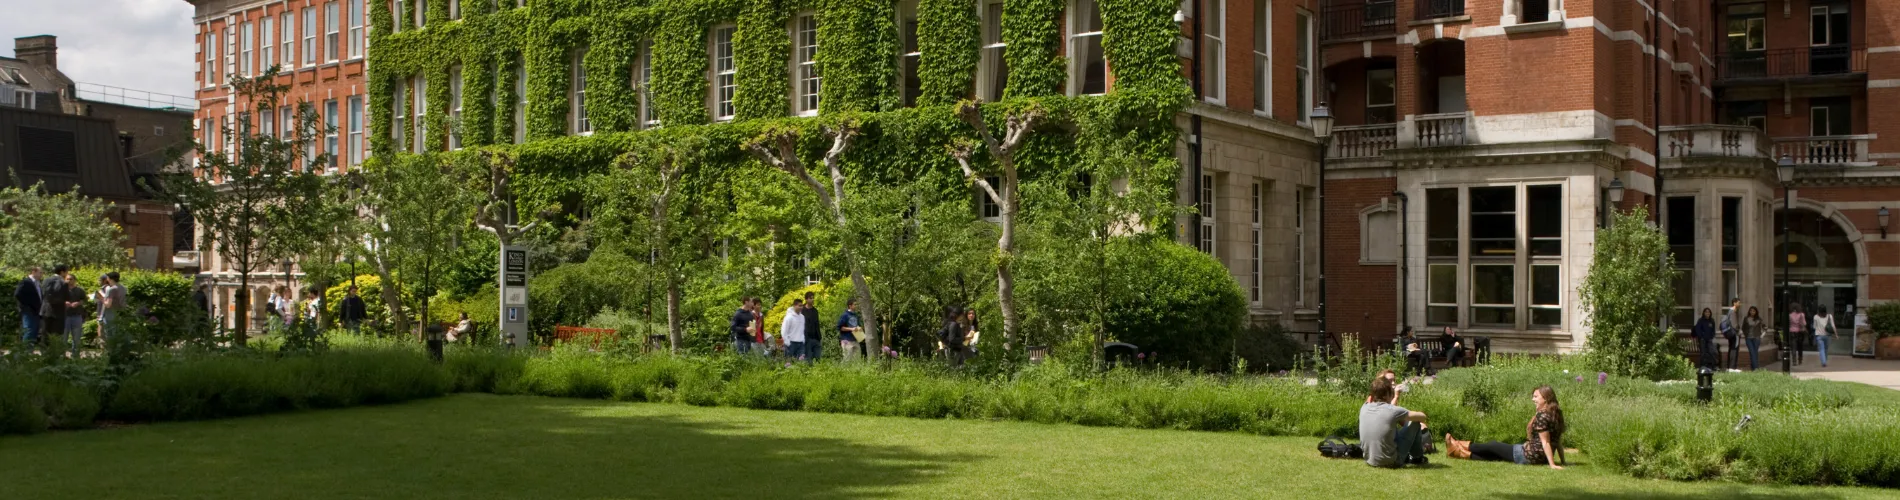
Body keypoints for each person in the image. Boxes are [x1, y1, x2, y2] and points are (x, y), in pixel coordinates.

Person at [1444, 385, 1567, 469]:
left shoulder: (1543, 416)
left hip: (1529, 456)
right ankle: (1457, 452)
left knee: (1493, 445)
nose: (1532, 399)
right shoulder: (1556, 413)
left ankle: (1457, 444)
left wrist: (1552, 465)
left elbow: (1546, 442)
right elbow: (1557, 441)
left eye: (1536, 396)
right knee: (1494, 456)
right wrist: (1562, 461)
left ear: (1545, 399)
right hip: (1539, 457)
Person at [1359, 376, 1430, 468]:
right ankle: (1417, 457)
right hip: (1392, 462)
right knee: (1414, 422)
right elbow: (1422, 417)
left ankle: (1414, 456)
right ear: (1387, 395)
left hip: (1369, 460)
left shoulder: (1364, 407)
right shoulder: (1393, 411)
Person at [39, 265, 70, 344]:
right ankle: (55, 353)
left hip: (45, 310)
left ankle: (44, 353)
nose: (67, 273)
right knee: (57, 335)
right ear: (62, 272)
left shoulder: (46, 280)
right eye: (66, 271)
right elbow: (67, 297)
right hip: (58, 312)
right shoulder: (63, 283)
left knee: (45, 333)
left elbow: (42, 293)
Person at [14, 266, 44, 345]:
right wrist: (27, 305)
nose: (42, 275)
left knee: (34, 331)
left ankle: (29, 352)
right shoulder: (26, 282)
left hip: (36, 311)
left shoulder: (37, 283)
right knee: (29, 330)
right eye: (40, 272)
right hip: (29, 311)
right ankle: (24, 352)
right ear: (33, 272)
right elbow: (18, 294)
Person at [63, 270, 87, 357]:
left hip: (76, 316)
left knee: (76, 338)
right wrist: (65, 303)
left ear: (75, 280)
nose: (69, 281)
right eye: (67, 279)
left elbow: (84, 300)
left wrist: (78, 303)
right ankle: (62, 355)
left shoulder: (79, 290)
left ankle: (75, 356)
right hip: (64, 316)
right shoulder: (62, 290)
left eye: (71, 279)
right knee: (64, 337)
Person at [837, 298, 863, 363]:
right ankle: (842, 372)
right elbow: (840, 327)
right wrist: (851, 329)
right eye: (855, 304)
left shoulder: (856, 315)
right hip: (847, 340)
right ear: (850, 306)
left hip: (855, 339)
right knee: (847, 360)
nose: (856, 306)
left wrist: (860, 328)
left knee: (857, 360)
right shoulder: (845, 315)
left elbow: (858, 325)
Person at [1720, 299, 1742, 370]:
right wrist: (1739, 331)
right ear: (1734, 303)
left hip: (1731, 333)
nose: (1740, 304)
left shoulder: (1730, 311)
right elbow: (1734, 324)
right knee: (1734, 349)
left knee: (1732, 348)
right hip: (1735, 334)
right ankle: (1732, 367)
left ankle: (1730, 367)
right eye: (1738, 303)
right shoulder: (1732, 312)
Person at [1742, 306, 1765, 371]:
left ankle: (1753, 367)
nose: (1752, 312)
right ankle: (1756, 368)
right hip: (1748, 338)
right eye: (1751, 311)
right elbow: (1743, 327)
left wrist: (1761, 335)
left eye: (1754, 311)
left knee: (1755, 353)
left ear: (1756, 312)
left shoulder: (1759, 319)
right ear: (1749, 311)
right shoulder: (1746, 318)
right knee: (1752, 352)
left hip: (1756, 338)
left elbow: (1765, 327)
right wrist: (1745, 334)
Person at [802, 292, 823, 361]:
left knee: (818, 358)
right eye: (810, 298)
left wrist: (819, 337)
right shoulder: (802, 311)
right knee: (808, 359)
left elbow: (817, 324)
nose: (813, 299)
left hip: (816, 338)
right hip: (806, 339)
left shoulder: (815, 311)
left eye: (813, 298)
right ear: (806, 299)